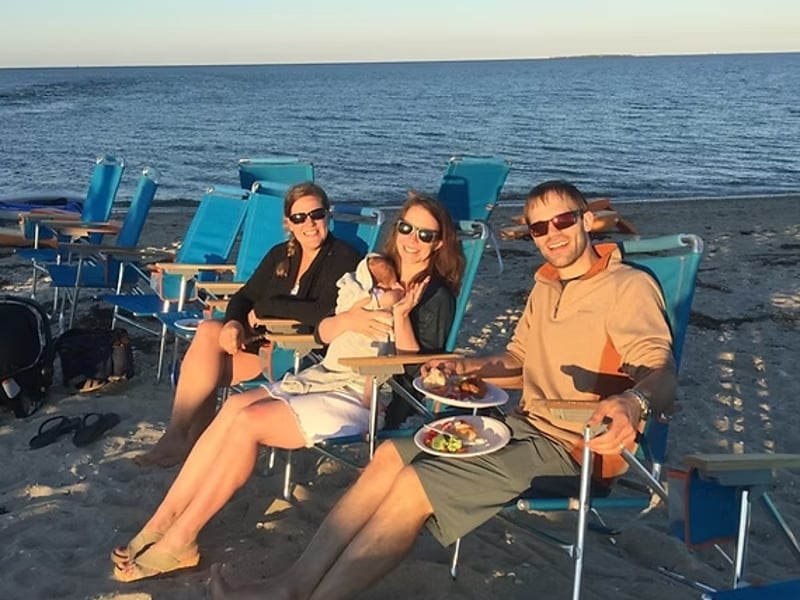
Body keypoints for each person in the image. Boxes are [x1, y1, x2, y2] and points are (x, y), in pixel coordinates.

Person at [208, 180, 678, 600]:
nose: (551, 234)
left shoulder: (627, 286)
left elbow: (661, 371)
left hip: (575, 448)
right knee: (390, 456)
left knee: (414, 485)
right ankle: (291, 586)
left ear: (587, 221)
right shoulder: (546, 285)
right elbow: (518, 360)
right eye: (539, 228)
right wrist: (463, 366)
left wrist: (631, 400)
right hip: (521, 428)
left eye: (562, 221)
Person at [111, 192, 466, 582]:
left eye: (426, 234)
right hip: (328, 374)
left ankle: (182, 538)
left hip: (373, 395)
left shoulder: (435, 295)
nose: (413, 240)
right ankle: (162, 521)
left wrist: (400, 316)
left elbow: (417, 371)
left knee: (249, 423)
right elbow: (325, 331)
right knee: (233, 409)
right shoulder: (373, 269)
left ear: (440, 242)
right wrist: (348, 320)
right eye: (406, 228)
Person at [133, 182, 362, 468]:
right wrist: (233, 323)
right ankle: (184, 440)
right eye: (299, 217)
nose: (310, 224)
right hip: (264, 342)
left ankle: (183, 441)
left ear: (328, 215)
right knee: (210, 332)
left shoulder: (344, 258)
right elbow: (245, 296)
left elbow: (323, 313)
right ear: (288, 223)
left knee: (204, 371)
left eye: (317, 214)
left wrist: (265, 308)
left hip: (299, 352)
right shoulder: (281, 254)